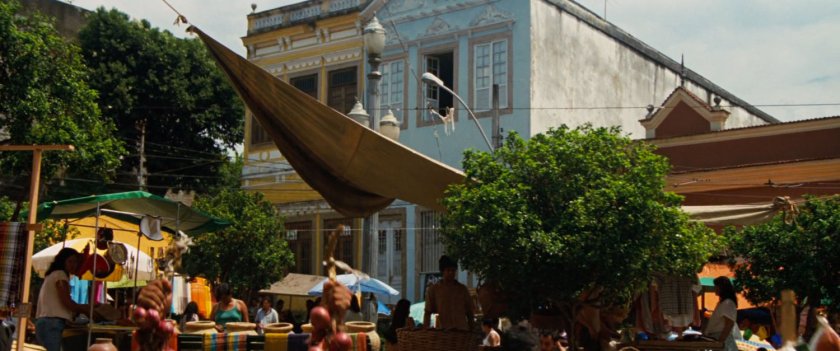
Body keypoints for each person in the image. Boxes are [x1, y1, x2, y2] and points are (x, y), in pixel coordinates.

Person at [35, 248, 92, 351]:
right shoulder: (60, 275)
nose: (73, 265)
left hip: (45, 322)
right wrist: (87, 310)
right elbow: (67, 302)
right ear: (63, 261)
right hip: (52, 323)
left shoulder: (53, 275)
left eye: (75, 262)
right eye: (70, 261)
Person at [423, 255, 475, 331]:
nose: (451, 273)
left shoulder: (462, 289)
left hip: (462, 333)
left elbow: (470, 313)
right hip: (444, 334)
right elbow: (427, 313)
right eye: (448, 270)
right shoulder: (433, 290)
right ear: (442, 271)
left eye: (453, 270)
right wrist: (425, 331)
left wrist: (472, 330)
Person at [702, 276, 739, 351]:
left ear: (722, 288)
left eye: (716, 286)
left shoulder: (727, 303)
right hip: (717, 338)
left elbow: (729, 324)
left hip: (722, 338)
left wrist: (720, 342)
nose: (715, 288)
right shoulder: (723, 302)